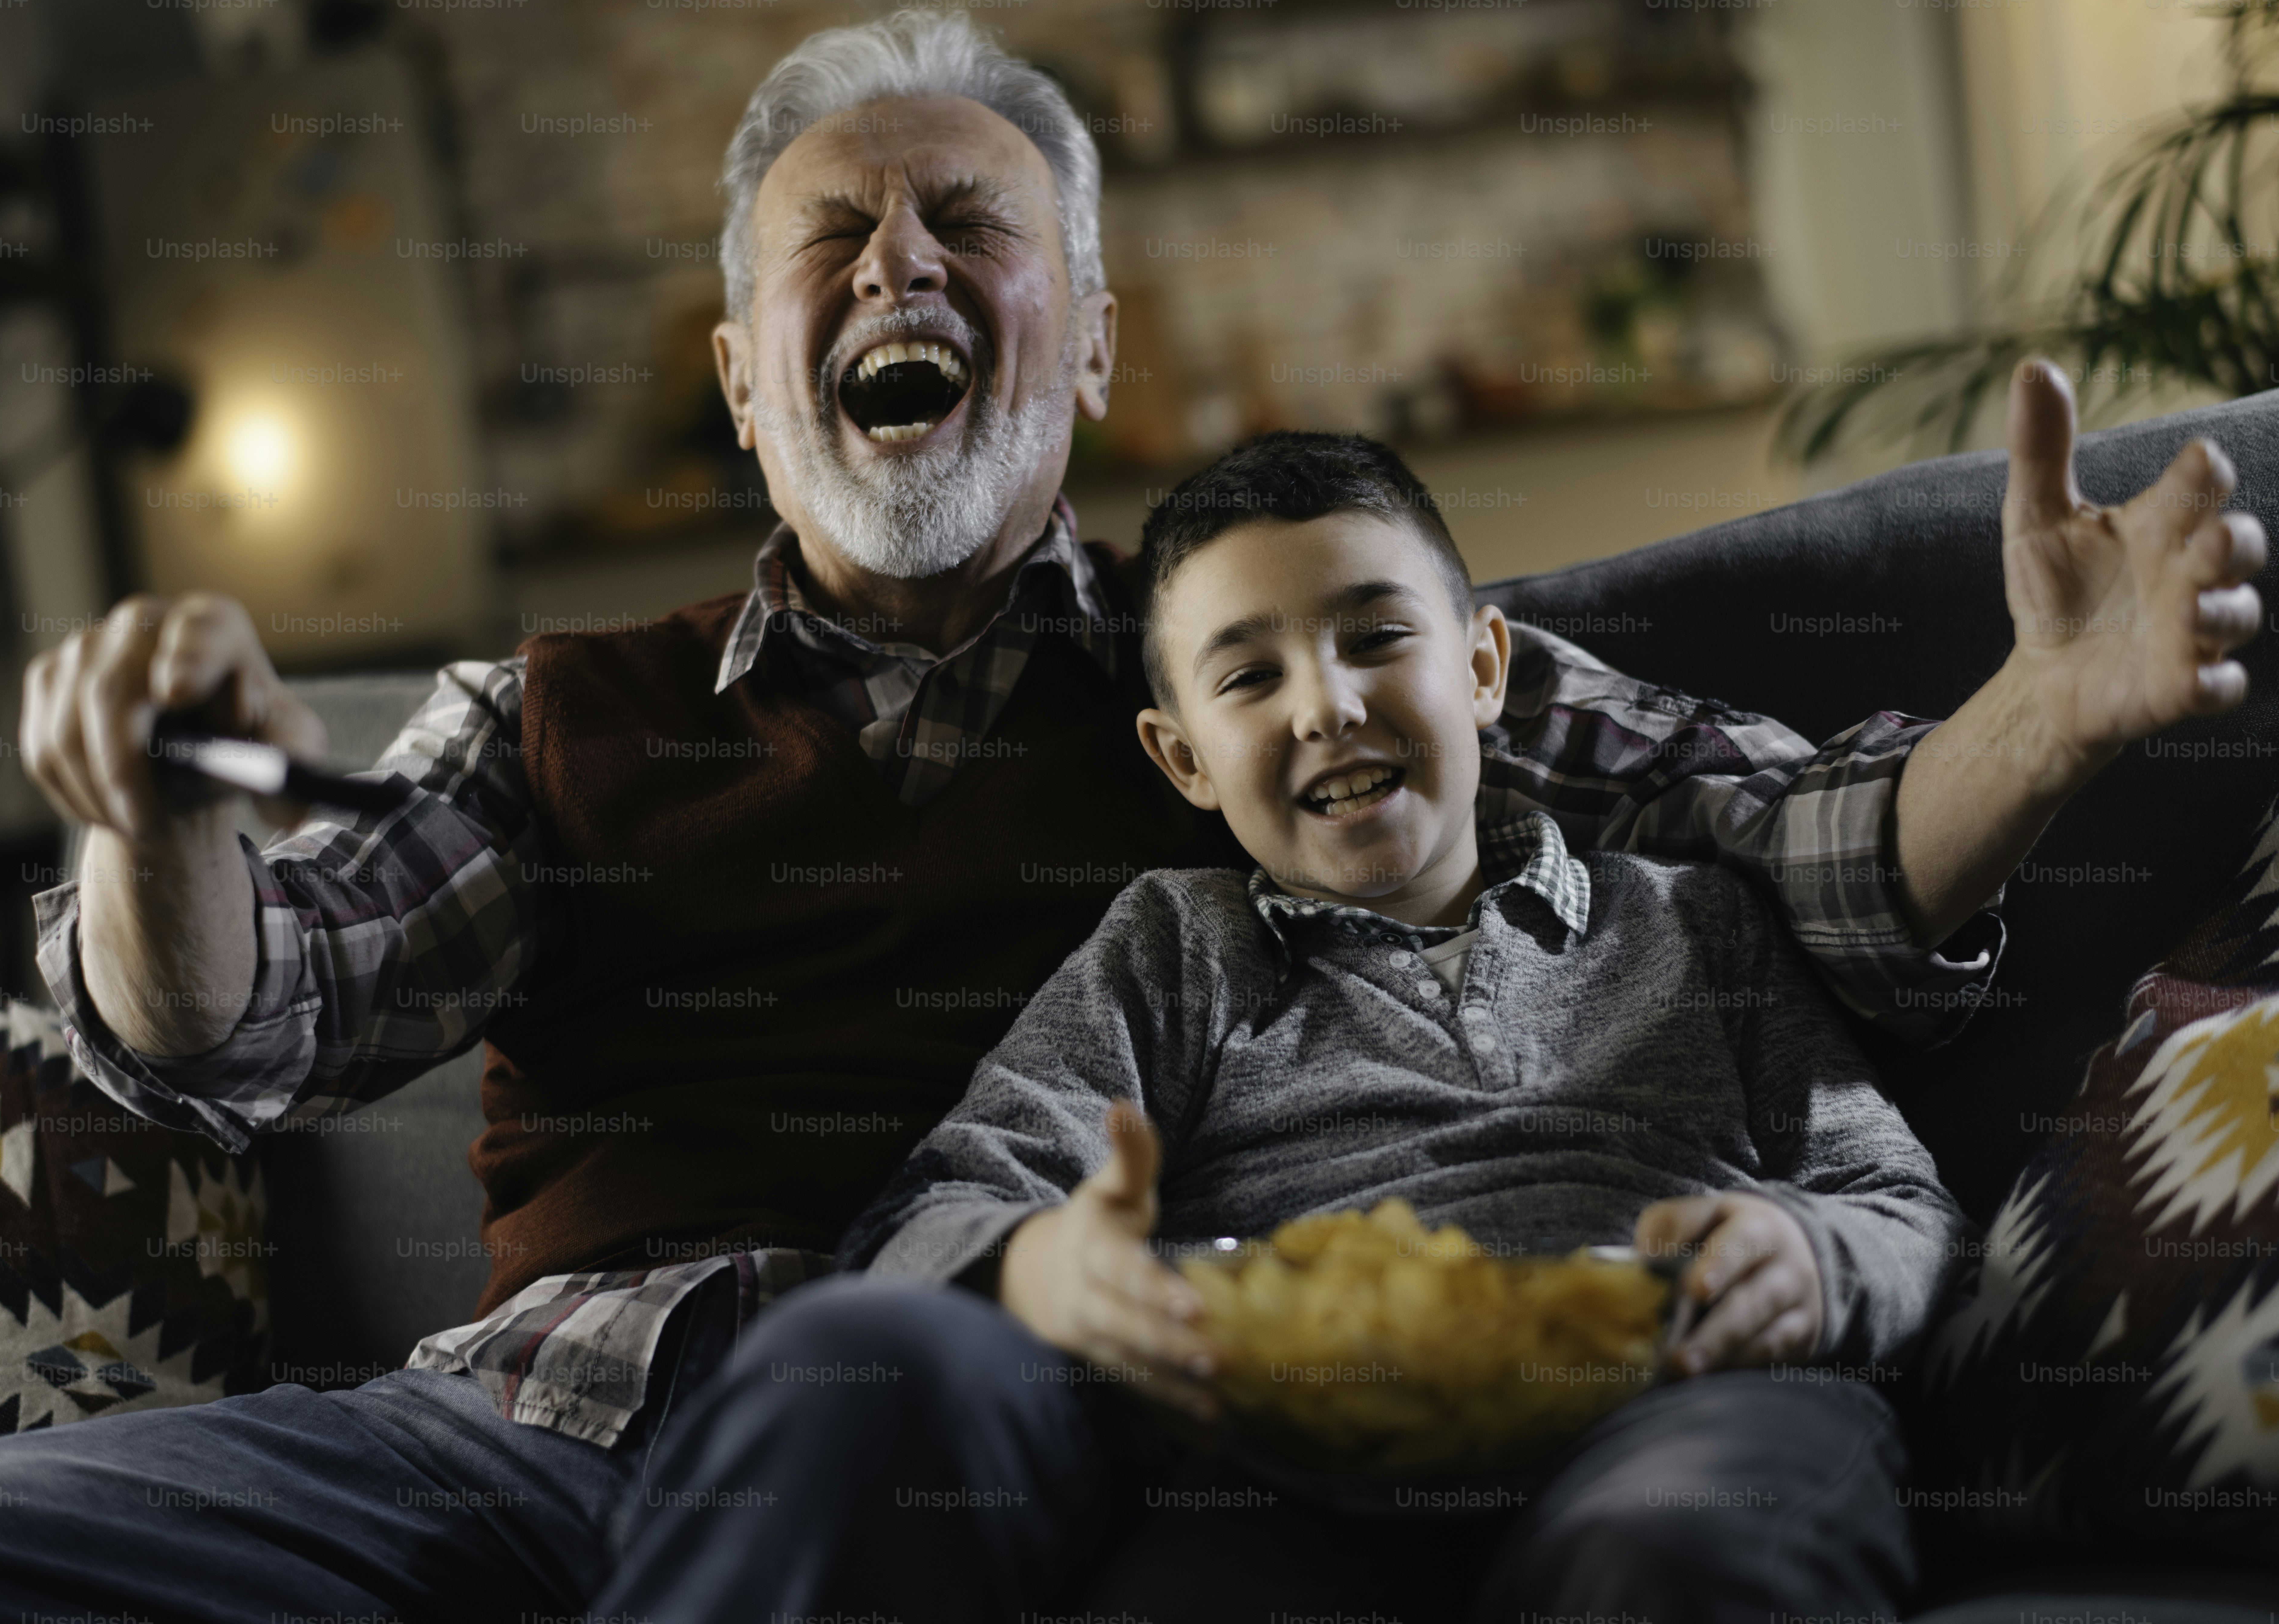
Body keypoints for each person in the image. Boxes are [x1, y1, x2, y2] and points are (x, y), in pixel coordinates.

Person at [0, 8, 2265, 1624]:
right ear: (744, 378)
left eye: (972, 226)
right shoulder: (561, 714)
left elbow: (1791, 846)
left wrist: (2048, 717)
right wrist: (158, 834)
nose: (900, 259)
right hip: (527, 1422)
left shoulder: (1263, 659)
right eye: (834, 237)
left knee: (863, 1380)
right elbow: (226, 1039)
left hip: (974, 1406)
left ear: (1088, 339)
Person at [610, 429, 1968, 1622]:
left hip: (1679, 1394)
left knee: (1686, 1549)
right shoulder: (1174, 946)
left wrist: (1815, 1254)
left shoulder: (1694, 922)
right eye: (1249, 677)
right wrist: (1044, 1266)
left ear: (1484, 667)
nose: (1327, 704)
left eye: (1379, 638)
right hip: (1301, 1459)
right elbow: (948, 1197)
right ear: (1183, 757)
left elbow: (1893, 1193)